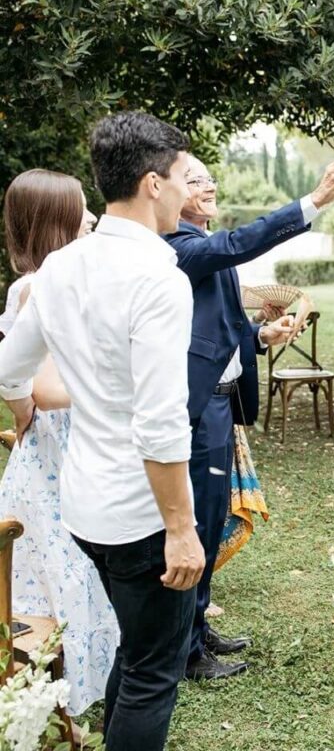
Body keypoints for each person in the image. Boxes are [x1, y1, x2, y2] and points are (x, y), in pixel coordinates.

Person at [0, 111, 203, 751]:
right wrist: (181, 529)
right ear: (152, 183)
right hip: (140, 513)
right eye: (180, 177)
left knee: (133, 650)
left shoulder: (59, 268)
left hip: (82, 508)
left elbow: (9, 370)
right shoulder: (159, 278)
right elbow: (161, 422)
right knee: (152, 673)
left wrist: (24, 410)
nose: (184, 191)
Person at [162, 152, 334, 680]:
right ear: (166, 190)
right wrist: (313, 201)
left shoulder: (202, 245)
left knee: (209, 519)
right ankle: (186, 652)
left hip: (224, 405)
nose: (209, 185)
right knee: (198, 523)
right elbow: (238, 243)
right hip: (200, 412)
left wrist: (258, 334)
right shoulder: (179, 245)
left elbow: (219, 328)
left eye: (209, 176)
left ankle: (198, 628)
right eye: (195, 179)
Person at [0, 169, 119, 720]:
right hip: (55, 454)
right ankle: (53, 684)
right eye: (80, 209)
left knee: (77, 565)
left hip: (73, 442)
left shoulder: (75, 281)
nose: (93, 217)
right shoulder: (33, 288)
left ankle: (67, 682)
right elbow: (39, 390)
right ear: (55, 223)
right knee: (59, 567)